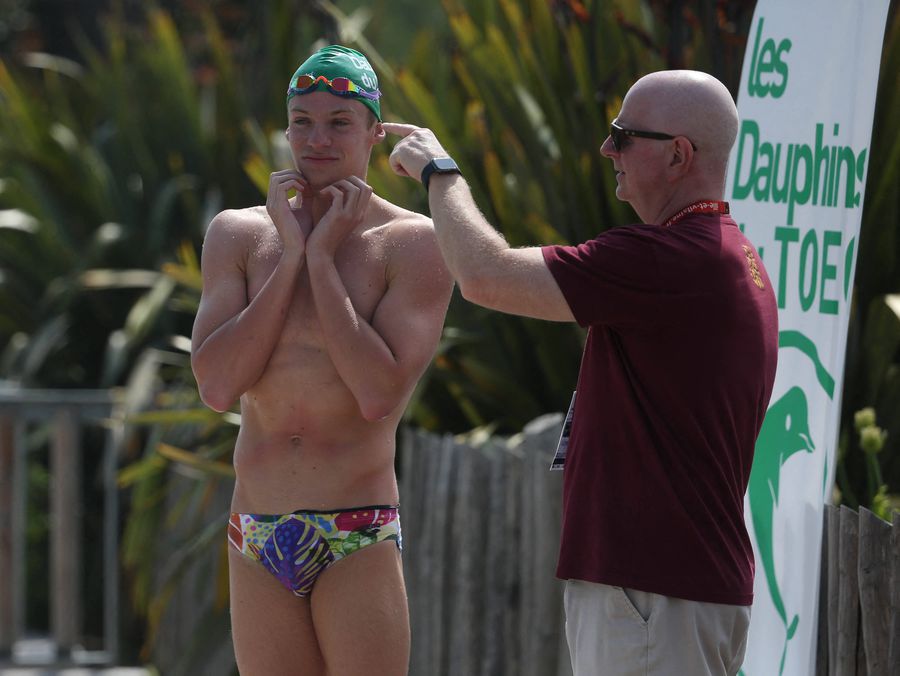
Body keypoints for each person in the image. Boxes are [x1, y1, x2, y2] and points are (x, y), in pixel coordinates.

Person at [384, 69, 778, 676]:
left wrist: (441, 172)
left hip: (653, 593)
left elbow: (487, 276)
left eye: (623, 136)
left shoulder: (670, 261)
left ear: (678, 155)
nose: (606, 150)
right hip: (675, 594)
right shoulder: (726, 256)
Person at [191, 45, 452, 676]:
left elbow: (377, 394)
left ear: (374, 133)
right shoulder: (240, 235)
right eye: (302, 120)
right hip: (256, 529)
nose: (317, 138)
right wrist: (291, 255)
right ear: (285, 129)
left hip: (355, 531)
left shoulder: (413, 244)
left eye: (339, 121)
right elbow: (218, 386)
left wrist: (322, 261)